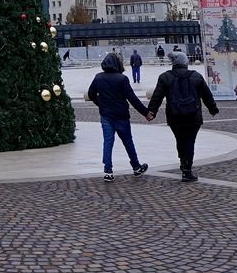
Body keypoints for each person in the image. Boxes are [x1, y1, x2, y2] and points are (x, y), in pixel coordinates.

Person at [146, 52, 220, 182]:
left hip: (174, 116)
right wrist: (213, 109)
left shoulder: (165, 77)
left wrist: (152, 112)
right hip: (193, 115)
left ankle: (183, 162)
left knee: (180, 139)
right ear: (185, 62)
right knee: (190, 141)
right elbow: (207, 95)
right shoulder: (196, 76)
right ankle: (187, 169)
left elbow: (157, 96)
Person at [85, 52, 149, 182]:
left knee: (108, 143)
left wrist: (101, 104)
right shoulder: (122, 79)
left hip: (106, 116)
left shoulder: (98, 77)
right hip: (121, 116)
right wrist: (146, 113)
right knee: (128, 142)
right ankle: (136, 167)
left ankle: (108, 171)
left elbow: (91, 94)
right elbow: (133, 99)